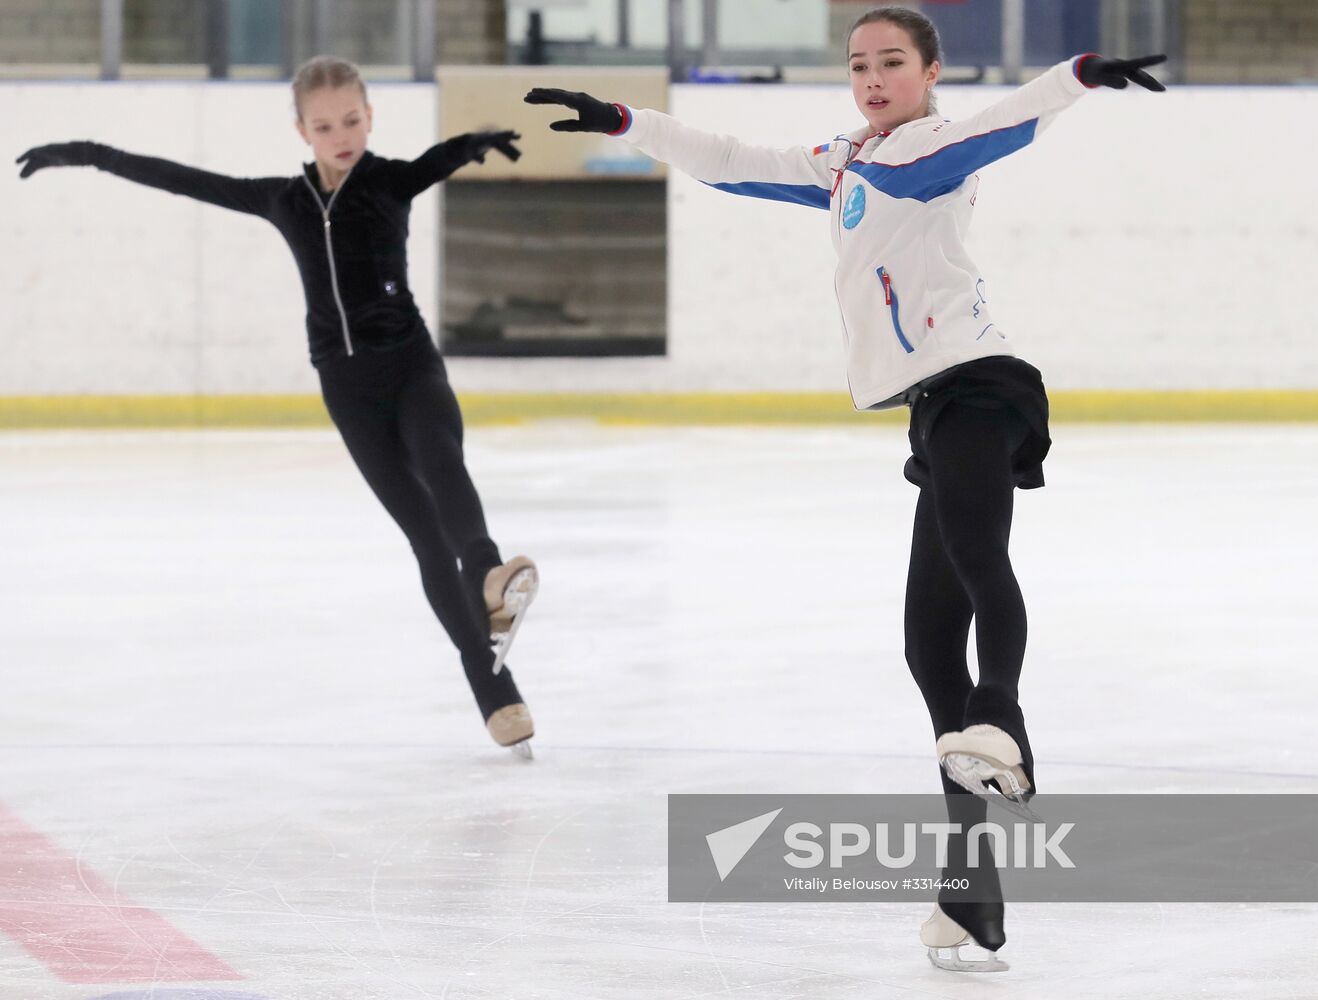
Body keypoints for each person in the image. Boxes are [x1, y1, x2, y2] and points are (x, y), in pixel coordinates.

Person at [525, 4, 1164, 969]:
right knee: (923, 641)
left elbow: (1007, 126)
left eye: (893, 62)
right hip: (934, 406)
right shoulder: (842, 164)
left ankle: (1006, 722)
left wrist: (1076, 73)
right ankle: (974, 887)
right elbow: (732, 157)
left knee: (978, 556)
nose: (873, 78)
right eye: (860, 64)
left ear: (930, 69)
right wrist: (628, 123)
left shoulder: (933, 146)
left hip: (983, 385)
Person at [16, 56, 540, 756]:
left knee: (442, 463)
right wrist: (92, 154)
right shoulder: (283, 201)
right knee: (420, 533)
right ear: (302, 129)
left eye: (352, 119)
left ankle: (491, 576)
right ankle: (495, 692)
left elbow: (435, 162)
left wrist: (472, 142)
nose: (341, 134)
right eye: (324, 125)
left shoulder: (387, 182)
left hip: (412, 365)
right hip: (348, 388)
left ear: (370, 116)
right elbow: (188, 182)